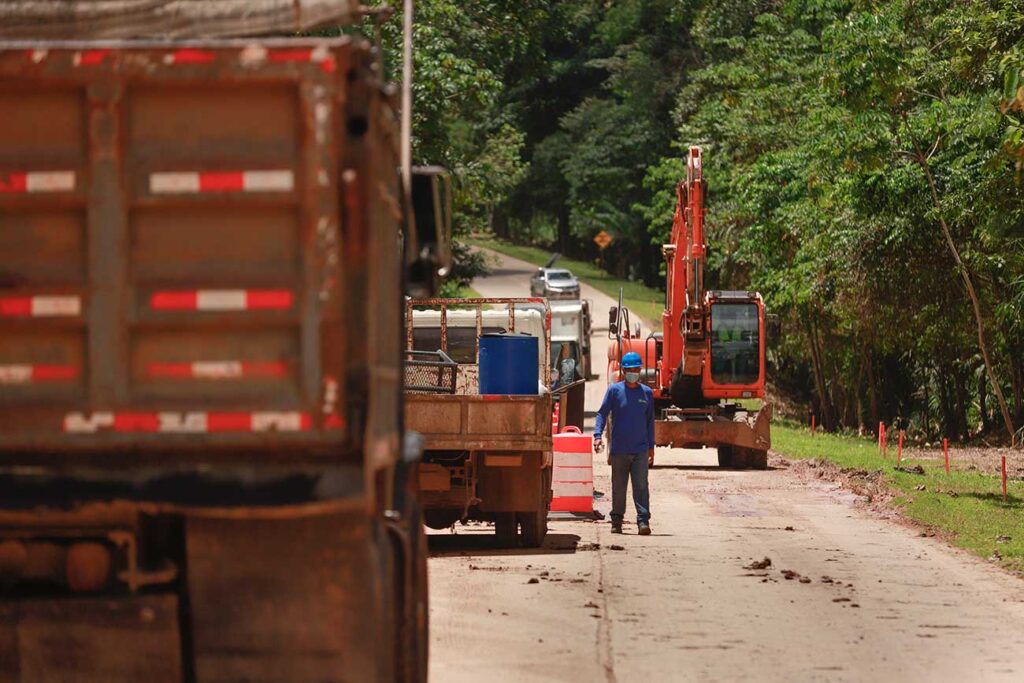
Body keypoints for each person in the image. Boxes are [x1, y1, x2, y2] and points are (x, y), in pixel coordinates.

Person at [593, 351, 655, 535]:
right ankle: (617, 521)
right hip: (619, 450)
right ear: (623, 370)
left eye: (636, 368)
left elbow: (650, 421)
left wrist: (651, 446)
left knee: (641, 486)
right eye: (629, 369)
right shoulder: (614, 391)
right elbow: (602, 413)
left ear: (640, 369)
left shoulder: (647, 394)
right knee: (619, 487)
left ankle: (643, 521)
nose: (633, 372)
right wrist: (598, 435)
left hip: (640, 450)